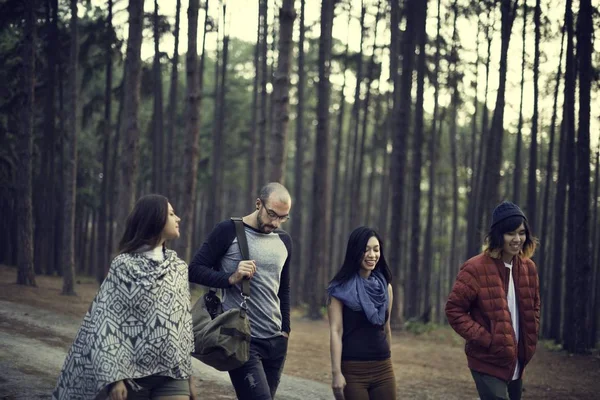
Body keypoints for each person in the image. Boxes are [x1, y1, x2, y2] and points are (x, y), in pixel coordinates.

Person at [52, 194, 197, 400]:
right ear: (154, 219)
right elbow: (106, 323)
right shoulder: (124, 266)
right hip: (131, 376)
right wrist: (115, 377)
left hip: (173, 376)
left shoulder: (179, 268)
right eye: (172, 214)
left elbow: (182, 328)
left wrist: (189, 376)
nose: (178, 218)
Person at [188, 182, 292, 400]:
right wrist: (230, 278)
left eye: (282, 218)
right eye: (272, 214)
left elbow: (284, 288)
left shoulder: (284, 240)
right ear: (258, 203)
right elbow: (195, 270)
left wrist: (285, 330)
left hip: (276, 341)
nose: (275, 222)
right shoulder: (228, 230)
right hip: (243, 340)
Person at [445, 201, 541, 400]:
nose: (517, 239)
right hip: (486, 359)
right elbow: (454, 310)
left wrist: (529, 338)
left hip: (518, 360)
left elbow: (535, 306)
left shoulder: (529, 268)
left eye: (521, 233)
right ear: (498, 235)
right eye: (510, 233)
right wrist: (487, 339)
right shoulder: (475, 268)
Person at [327, 226, 396, 400]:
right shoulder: (339, 289)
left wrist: (388, 360)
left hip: (383, 367)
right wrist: (336, 373)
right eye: (366, 250)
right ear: (355, 252)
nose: (372, 255)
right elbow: (336, 331)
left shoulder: (385, 287)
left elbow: (386, 328)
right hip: (353, 369)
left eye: (376, 249)